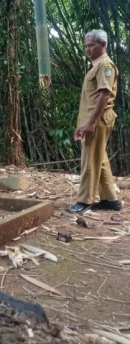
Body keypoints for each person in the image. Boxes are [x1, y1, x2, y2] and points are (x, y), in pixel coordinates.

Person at [68, 30, 122, 213]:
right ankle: (110, 200)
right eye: (85, 46)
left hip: (97, 120)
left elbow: (104, 95)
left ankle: (85, 201)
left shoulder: (105, 65)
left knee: (89, 159)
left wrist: (90, 123)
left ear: (103, 44)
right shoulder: (96, 65)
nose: (87, 49)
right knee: (100, 158)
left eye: (91, 45)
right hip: (92, 120)